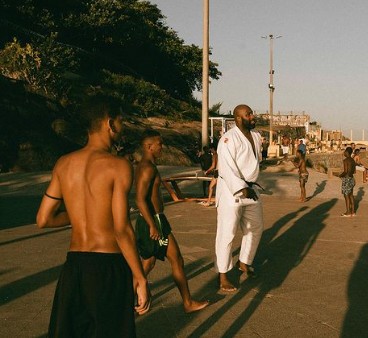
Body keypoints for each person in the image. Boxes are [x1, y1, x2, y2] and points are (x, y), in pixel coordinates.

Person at [36, 95, 151, 337]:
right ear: (110, 124)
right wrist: (140, 277)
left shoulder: (63, 163)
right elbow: (121, 229)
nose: (122, 127)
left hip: (74, 267)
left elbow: (43, 219)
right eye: (121, 121)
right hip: (107, 268)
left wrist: (79, 213)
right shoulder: (118, 166)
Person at [135, 129, 209, 313]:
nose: (162, 147)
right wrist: (152, 225)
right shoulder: (147, 167)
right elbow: (140, 199)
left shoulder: (148, 165)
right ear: (149, 146)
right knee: (158, 262)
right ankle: (186, 302)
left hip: (157, 220)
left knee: (165, 261)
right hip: (153, 221)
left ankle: (187, 302)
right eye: (159, 144)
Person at [215, 104, 264, 292]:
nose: (252, 116)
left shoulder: (256, 136)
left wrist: (249, 187)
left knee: (256, 227)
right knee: (227, 233)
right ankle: (223, 275)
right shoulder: (228, 139)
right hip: (231, 190)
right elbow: (226, 168)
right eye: (248, 114)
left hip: (251, 189)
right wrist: (241, 188)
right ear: (237, 118)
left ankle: (244, 261)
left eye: (252, 113)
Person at [339, 147, 356, 217]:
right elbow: (354, 171)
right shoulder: (352, 160)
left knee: (346, 196)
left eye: (344, 151)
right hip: (352, 178)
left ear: (347, 152)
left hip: (347, 179)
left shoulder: (345, 160)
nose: (343, 153)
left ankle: (348, 212)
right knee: (351, 195)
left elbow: (345, 171)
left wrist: (340, 175)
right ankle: (353, 212)